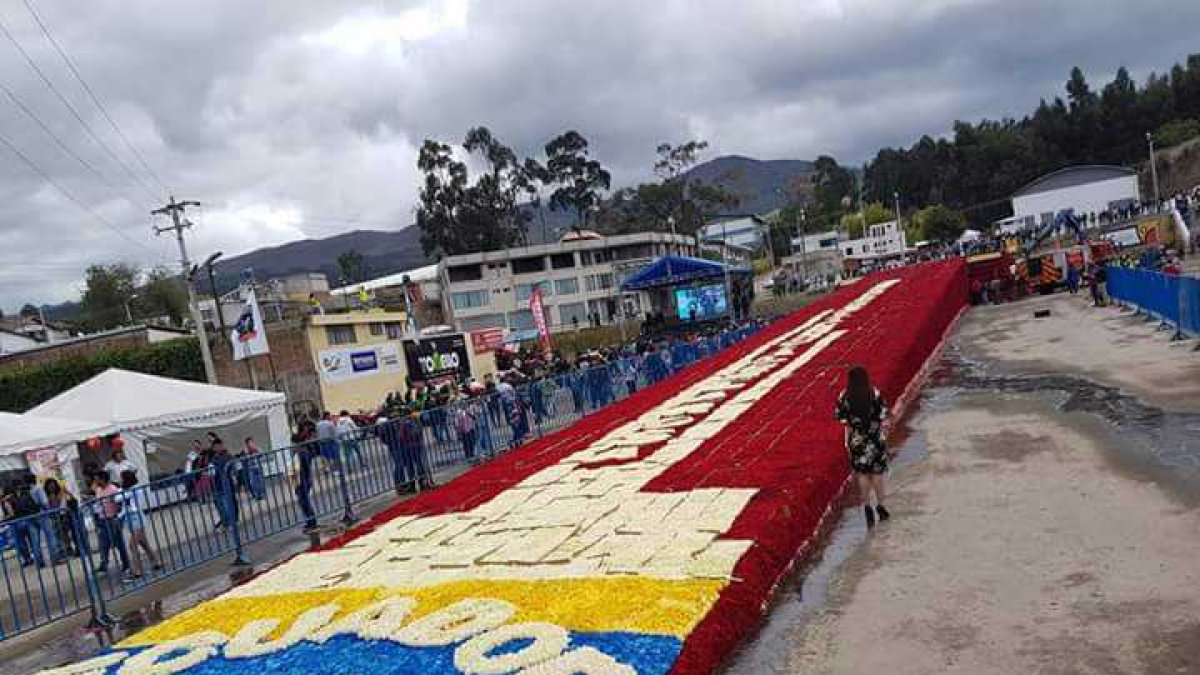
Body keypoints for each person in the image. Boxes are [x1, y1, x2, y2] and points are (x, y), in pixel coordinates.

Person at [835, 366, 891, 528]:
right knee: (877, 474)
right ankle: (880, 505)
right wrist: (883, 432)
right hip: (875, 439)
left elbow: (845, 422)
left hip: (857, 440)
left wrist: (847, 441)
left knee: (862, 474)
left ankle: (866, 505)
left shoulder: (844, 396)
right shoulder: (874, 394)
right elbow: (883, 417)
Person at [89, 472, 132, 579]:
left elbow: (119, 503)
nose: (96, 481)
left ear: (103, 479)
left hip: (112, 518)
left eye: (97, 479)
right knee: (104, 543)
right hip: (103, 518)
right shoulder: (99, 489)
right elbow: (97, 499)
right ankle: (104, 563)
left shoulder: (112, 489)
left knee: (118, 542)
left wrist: (117, 516)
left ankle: (126, 564)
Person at [120, 470, 162, 578]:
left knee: (132, 545)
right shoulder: (126, 489)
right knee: (143, 543)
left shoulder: (135, 489)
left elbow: (121, 497)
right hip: (129, 517)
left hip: (136, 517)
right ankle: (156, 561)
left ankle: (137, 570)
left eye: (122, 478)